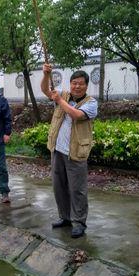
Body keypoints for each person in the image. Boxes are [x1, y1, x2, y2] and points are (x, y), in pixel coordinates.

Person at [41, 64, 98, 238]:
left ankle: (79, 222)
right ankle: (65, 217)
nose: (77, 86)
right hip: (57, 150)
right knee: (59, 187)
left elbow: (76, 115)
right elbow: (45, 89)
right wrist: (46, 74)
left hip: (76, 153)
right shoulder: (64, 95)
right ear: (70, 83)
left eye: (81, 83)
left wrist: (59, 101)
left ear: (86, 86)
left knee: (77, 189)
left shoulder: (91, 103)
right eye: (74, 83)